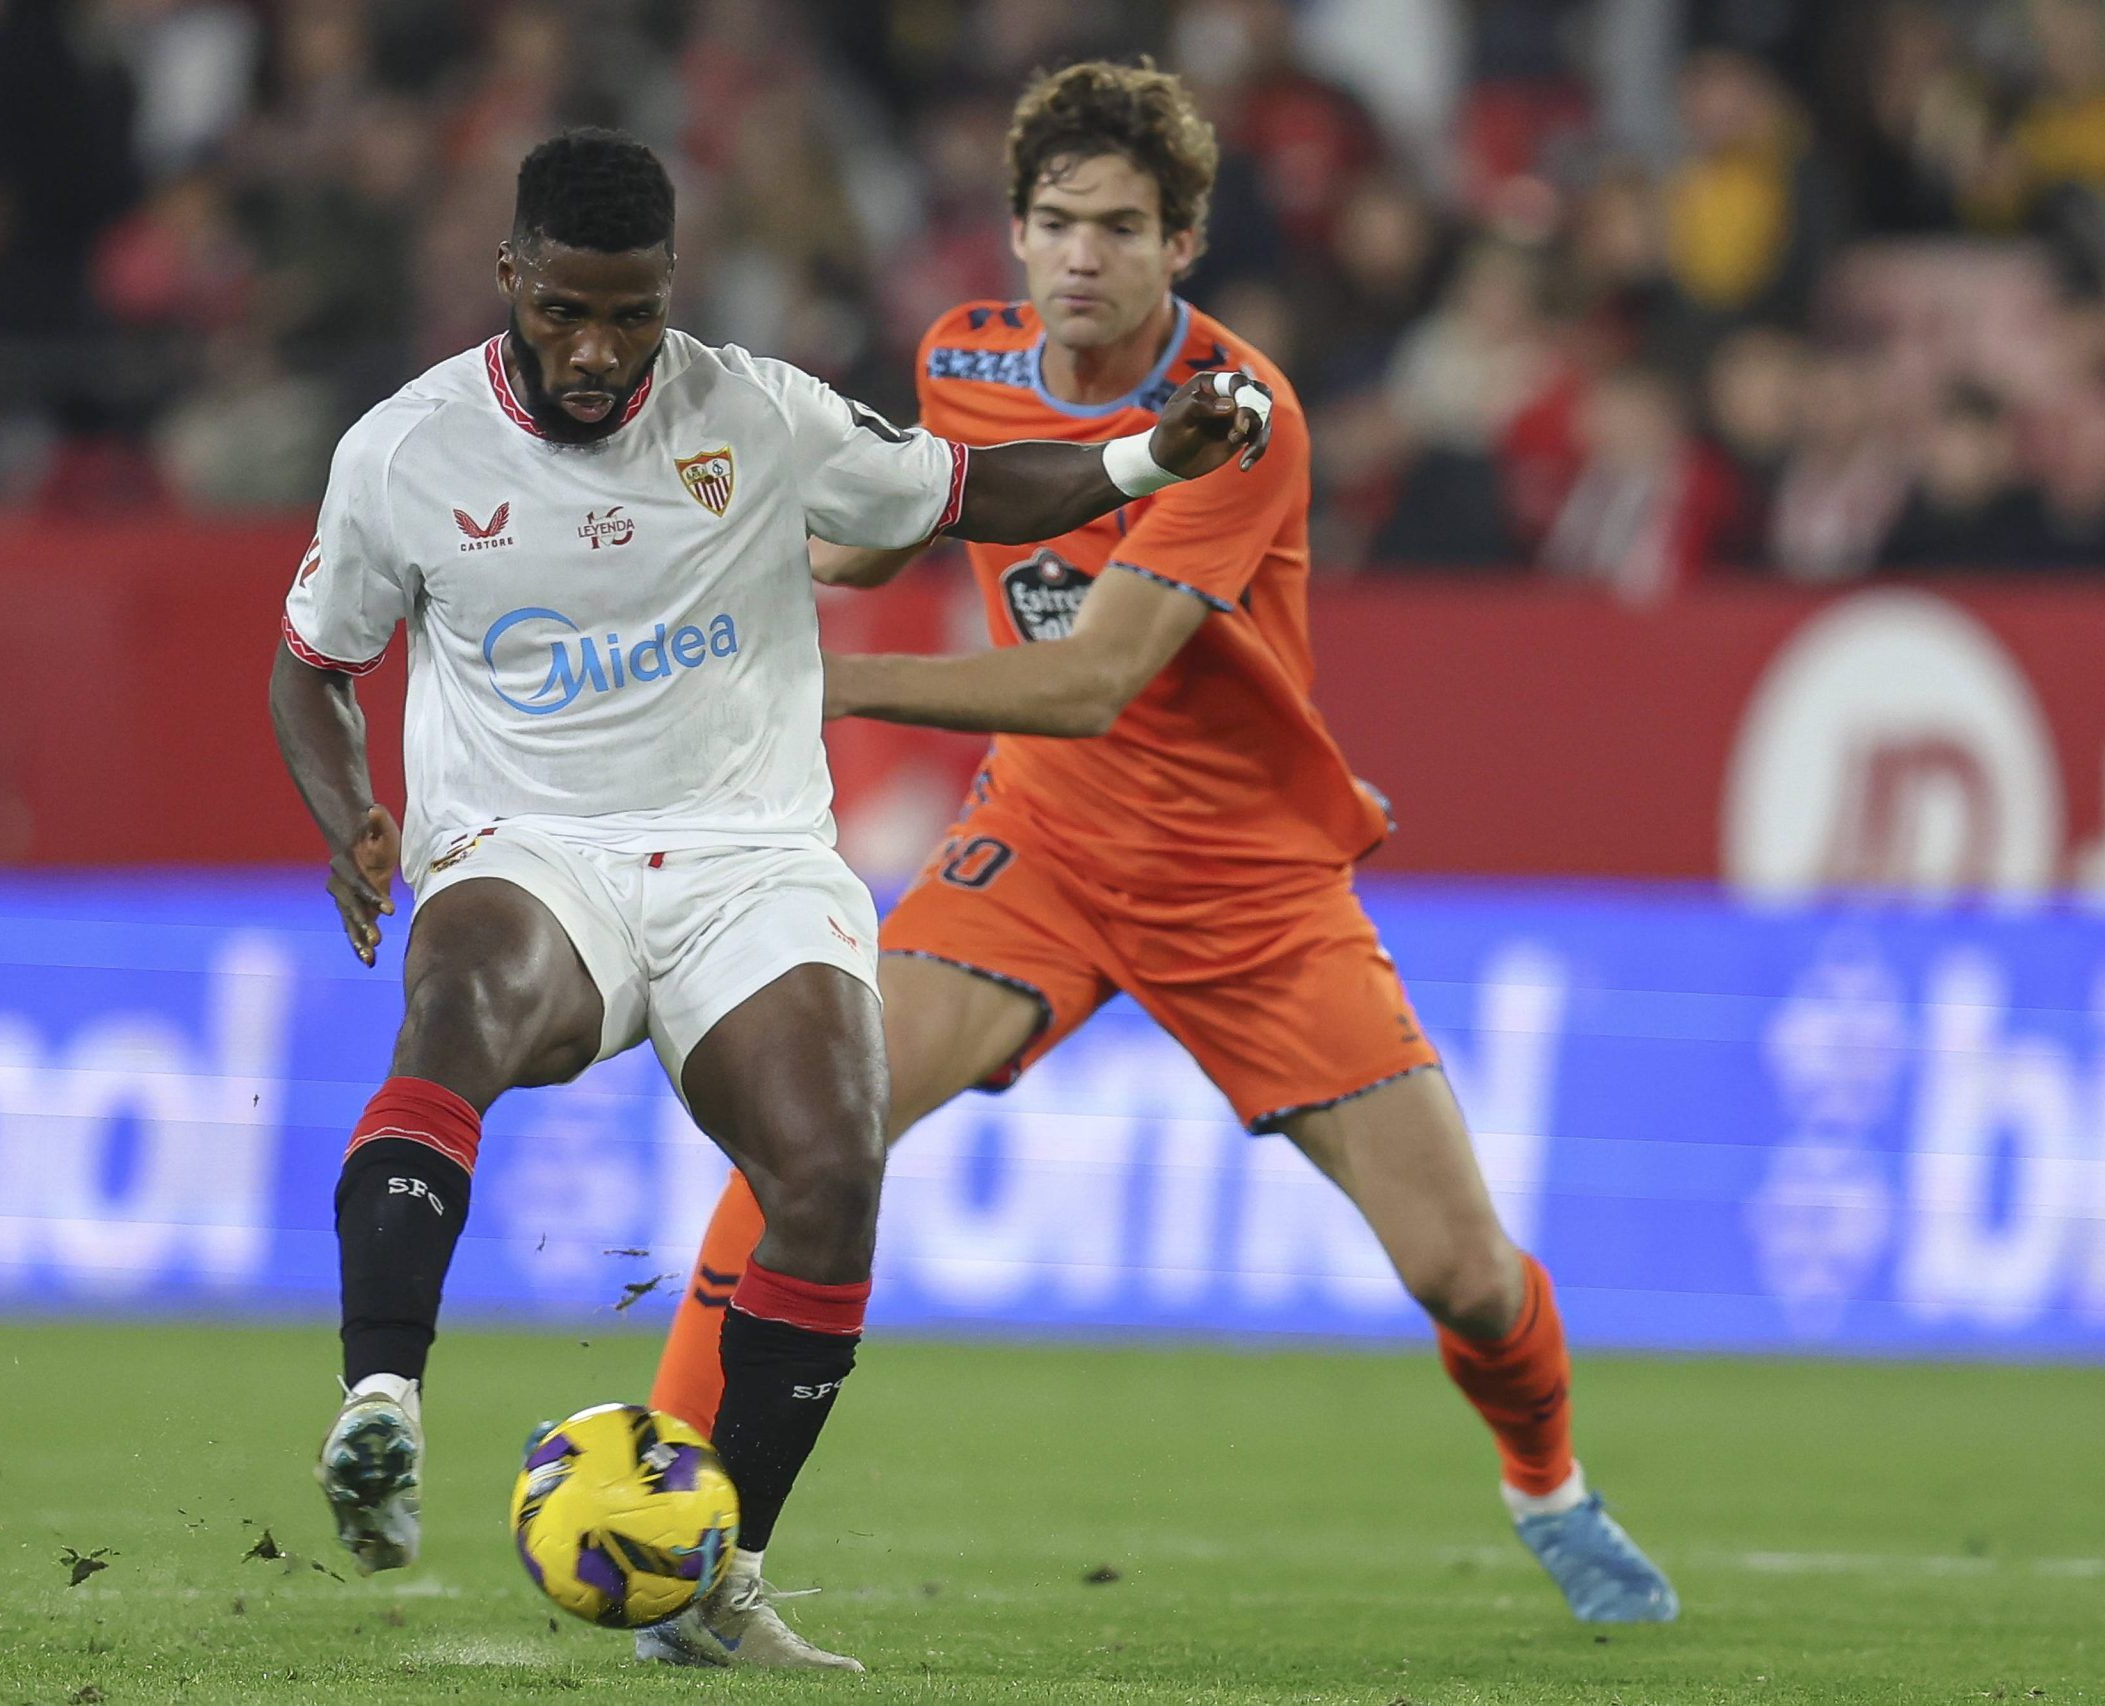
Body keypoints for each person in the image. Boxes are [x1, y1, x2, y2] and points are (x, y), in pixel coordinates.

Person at [646, 62, 1680, 1628]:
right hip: (1042, 850)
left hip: (1247, 886)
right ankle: (681, 1530)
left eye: (1121, 228)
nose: (1083, 255)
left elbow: (1089, 679)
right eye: (1058, 221)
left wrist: (816, 680)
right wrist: (722, 577)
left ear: (1182, 243)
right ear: (1013, 229)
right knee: (811, 1130)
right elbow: (898, 524)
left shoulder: (1236, 415)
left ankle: (1548, 1481)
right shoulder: (962, 357)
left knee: (1463, 1274)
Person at [269, 128, 1272, 1671]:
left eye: (632, 314)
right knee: (457, 1003)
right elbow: (311, 666)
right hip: (534, 844)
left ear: (673, 288)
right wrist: (351, 817)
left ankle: (716, 1583)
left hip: (749, 858)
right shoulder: (403, 453)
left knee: (830, 1166)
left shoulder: (756, 410)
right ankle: (381, 1403)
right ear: (509, 278)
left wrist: (1147, 459)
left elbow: (970, 491)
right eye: (563, 312)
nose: (596, 352)